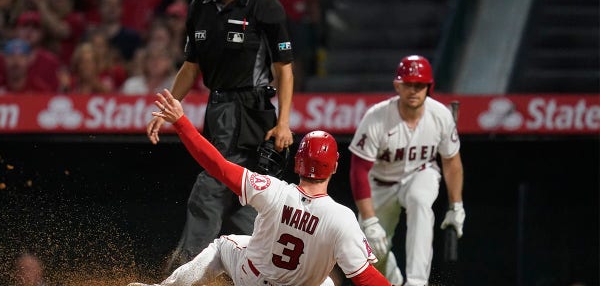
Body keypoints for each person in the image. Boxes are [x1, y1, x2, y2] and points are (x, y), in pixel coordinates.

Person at [128, 90, 391, 286]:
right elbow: (366, 278)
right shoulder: (342, 218)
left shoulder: (273, 190)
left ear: (298, 164)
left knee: (223, 245)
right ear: (334, 167)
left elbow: (217, 165)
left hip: (253, 279)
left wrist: (182, 122)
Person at [145, 0, 295, 273]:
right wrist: (167, 108)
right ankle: (258, 271)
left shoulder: (263, 3)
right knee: (246, 200)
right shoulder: (200, 5)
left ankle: (184, 269)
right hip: (218, 107)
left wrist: (284, 123)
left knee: (210, 189)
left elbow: (284, 68)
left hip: (249, 106)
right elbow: (190, 66)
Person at [348, 55, 465, 286]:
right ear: (397, 86)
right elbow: (358, 170)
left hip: (419, 173)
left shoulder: (440, 115)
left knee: (420, 201)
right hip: (380, 183)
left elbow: (451, 162)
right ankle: (395, 281)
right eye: (408, 84)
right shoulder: (377, 117)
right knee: (370, 255)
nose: (414, 90)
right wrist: (370, 220)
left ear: (428, 87)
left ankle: (416, 282)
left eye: (419, 85)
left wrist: (456, 205)